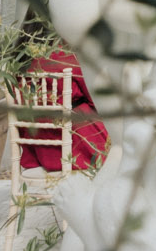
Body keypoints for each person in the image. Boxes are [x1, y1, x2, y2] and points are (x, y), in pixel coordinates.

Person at [19, 29, 108, 173]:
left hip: (38, 146)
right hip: (76, 143)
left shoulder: (22, 59)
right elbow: (95, 98)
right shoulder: (64, 56)